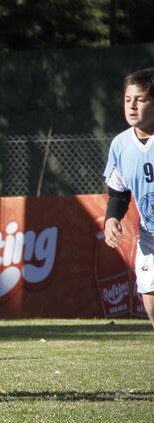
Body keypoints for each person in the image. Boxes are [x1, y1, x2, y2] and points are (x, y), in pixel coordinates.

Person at [103, 67, 154, 330]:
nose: (132, 106)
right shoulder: (120, 145)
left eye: (141, 99)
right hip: (150, 237)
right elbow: (118, 192)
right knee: (151, 305)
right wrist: (111, 219)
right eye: (127, 100)